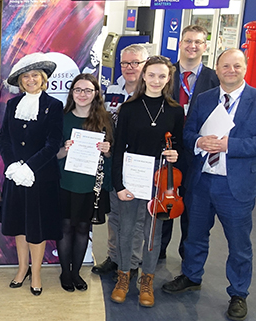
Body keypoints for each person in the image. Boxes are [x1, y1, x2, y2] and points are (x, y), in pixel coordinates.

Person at [162, 48, 256, 321]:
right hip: (202, 180)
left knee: (239, 244)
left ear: (245, 67)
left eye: (236, 66)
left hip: (236, 185)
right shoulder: (204, 99)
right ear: (216, 70)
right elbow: (188, 130)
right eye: (225, 66)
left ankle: (239, 293)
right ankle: (192, 275)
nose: (231, 70)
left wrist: (230, 145)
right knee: (194, 235)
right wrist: (197, 141)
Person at [110, 55, 183, 308]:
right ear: (144, 76)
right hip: (133, 177)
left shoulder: (175, 110)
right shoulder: (129, 108)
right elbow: (118, 149)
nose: (156, 80)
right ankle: (123, 277)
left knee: (153, 233)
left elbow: (180, 146)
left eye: (162, 76)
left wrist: (177, 154)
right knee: (127, 230)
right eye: (151, 75)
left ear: (168, 79)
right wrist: (118, 185)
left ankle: (147, 281)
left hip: (160, 180)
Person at [0, 52, 62, 296]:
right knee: (19, 225)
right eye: (26, 76)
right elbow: (4, 138)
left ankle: (36, 273)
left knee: (36, 228)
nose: (31, 79)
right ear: (20, 80)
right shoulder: (13, 104)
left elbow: (53, 143)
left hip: (41, 178)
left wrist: (30, 167)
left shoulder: (54, 106)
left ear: (43, 78)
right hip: (16, 176)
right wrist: (13, 165)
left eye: (35, 75)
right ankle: (22, 268)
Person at [160, 24, 220, 260]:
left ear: (205, 46)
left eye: (198, 42)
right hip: (167, 150)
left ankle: (188, 259)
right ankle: (158, 254)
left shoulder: (214, 79)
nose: (192, 46)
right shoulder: (165, 73)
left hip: (198, 154)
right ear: (180, 43)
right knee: (163, 202)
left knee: (193, 211)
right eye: (188, 41)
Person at [93, 44, 149, 280]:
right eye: (125, 63)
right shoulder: (113, 92)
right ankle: (114, 257)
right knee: (115, 214)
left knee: (136, 219)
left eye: (135, 63)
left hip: (140, 165)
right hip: (114, 163)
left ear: (145, 65)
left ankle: (132, 261)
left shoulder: (151, 96)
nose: (129, 68)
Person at [56, 74, 112, 292]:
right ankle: (65, 273)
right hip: (65, 182)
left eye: (88, 90)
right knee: (65, 228)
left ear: (96, 93)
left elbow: (111, 156)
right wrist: (65, 150)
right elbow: (54, 154)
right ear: (72, 93)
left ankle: (77, 272)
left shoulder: (105, 119)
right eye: (78, 90)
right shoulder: (62, 118)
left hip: (90, 185)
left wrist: (107, 151)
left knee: (82, 228)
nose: (82, 94)